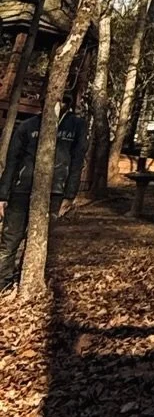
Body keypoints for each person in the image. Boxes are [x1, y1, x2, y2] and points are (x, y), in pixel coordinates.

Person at [0, 98, 88, 290]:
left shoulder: (77, 126)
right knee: (10, 239)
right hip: (21, 191)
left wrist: (69, 195)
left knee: (38, 240)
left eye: (64, 99)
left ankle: (24, 281)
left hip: (54, 193)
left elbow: (77, 161)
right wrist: (3, 196)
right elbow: (12, 161)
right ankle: (3, 283)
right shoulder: (27, 126)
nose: (58, 102)